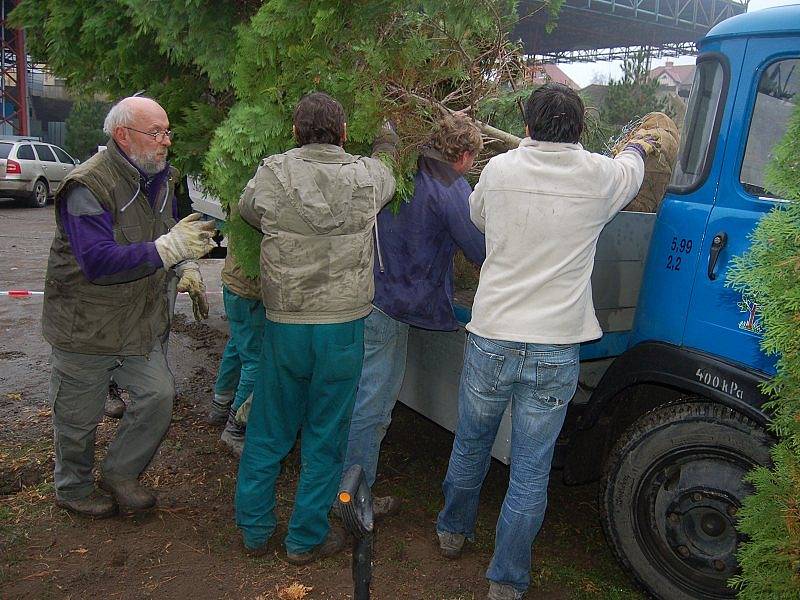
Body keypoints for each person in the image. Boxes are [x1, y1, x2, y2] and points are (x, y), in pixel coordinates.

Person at [435, 83, 660, 600]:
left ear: (529, 127)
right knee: (531, 470)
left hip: (493, 336)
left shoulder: (499, 170)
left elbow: (478, 219)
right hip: (556, 347)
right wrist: (637, 143)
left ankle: (451, 531)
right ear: (580, 129)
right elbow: (635, 166)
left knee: (471, 443)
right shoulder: (602, 177)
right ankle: (507, 581)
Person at [236, 92, 396, 564]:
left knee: (268, 428)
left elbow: (249, 210)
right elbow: (389, 168)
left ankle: (254, 530)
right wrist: (386, 139)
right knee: (327, 434)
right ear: (344, 134)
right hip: (343, 326)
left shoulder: (273, 174)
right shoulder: (367, 177)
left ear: (295, 132)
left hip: (287, 322)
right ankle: (305, 539)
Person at [42, 96, 216, 518]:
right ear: (122, 135)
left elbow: (171, 229)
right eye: (155, 133)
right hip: (86, 325)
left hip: (138, 322)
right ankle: (73, 487)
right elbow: (97, 262)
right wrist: (166, 249)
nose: (165, 142)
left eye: (167, 132)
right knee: (77, 419)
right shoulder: (88, 185)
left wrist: (185, 261)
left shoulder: (163, 178)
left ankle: (121, 472)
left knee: (158, 395)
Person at [341, 114, 485, 517]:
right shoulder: (450, 186)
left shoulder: (400, 167)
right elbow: (478, 248)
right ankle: (352, 497)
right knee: (373, 407)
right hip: (396, 303)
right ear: (465, 155)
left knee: (355, 395)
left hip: (368, 292)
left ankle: (339, 483)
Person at [208, 215, 265, 457]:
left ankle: (220, 405)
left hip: (235, 285)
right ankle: (235, 428)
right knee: (255, 361)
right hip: (250, 290)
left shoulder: (243, 186)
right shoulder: (258, 188)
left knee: (237, 346)